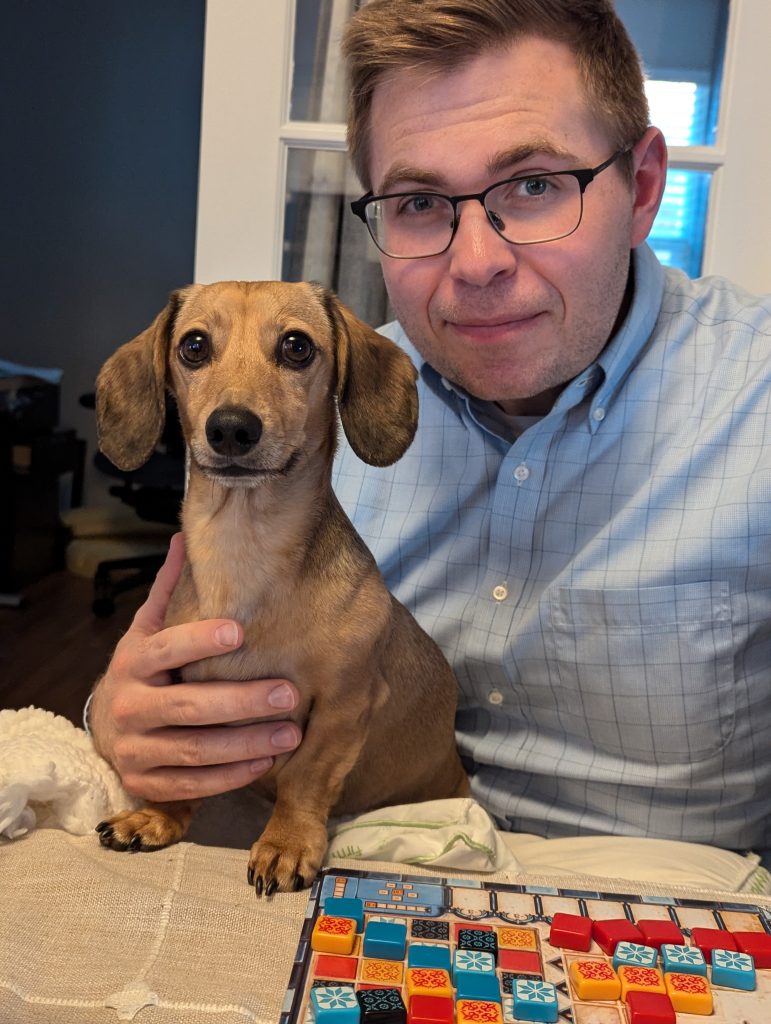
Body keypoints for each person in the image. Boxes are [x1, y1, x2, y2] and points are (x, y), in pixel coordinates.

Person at [88, 0, 771, 865]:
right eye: (417, 202)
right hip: (345, 882)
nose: (476, 261)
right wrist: (117, 716)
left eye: (533, 186)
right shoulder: (336, 401)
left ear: (638, 191)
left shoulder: (758, 401)